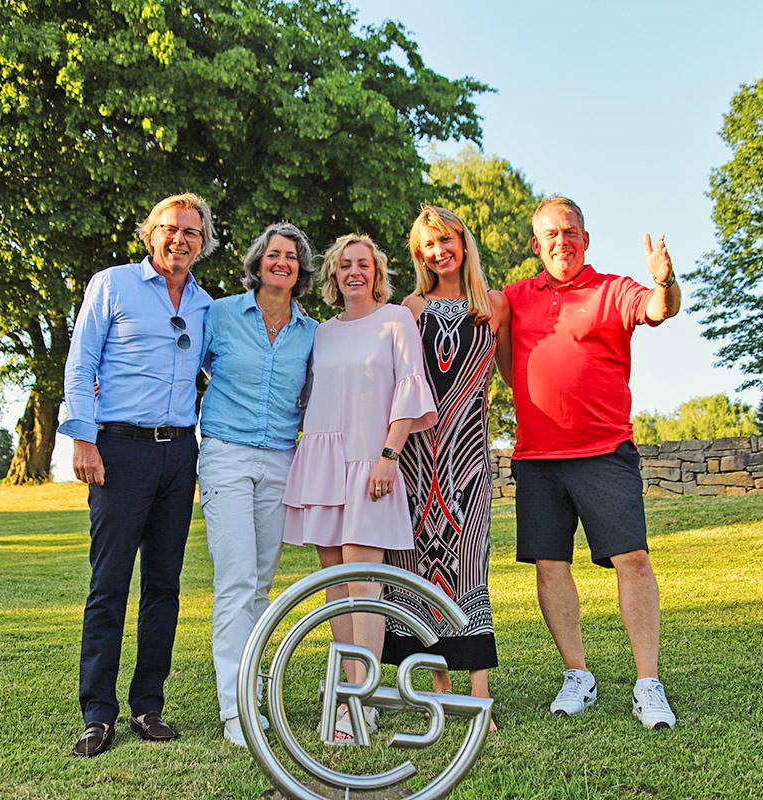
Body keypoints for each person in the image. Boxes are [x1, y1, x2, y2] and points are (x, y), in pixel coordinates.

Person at [497, 195, 682, 730]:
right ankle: (577, 674)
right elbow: (482, 326)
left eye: (571, 231)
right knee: (551, 566)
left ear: (586, 238)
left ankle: (648, 683)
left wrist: (665, 282)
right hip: (536, 458)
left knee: (634, 561)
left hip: (604, 452)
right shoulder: (517, 296)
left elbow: (658, 308)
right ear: (536, 245)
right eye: (551, 234)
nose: (562, 241)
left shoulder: (614, 289)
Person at [60, 192, 216, 757]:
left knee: (164, 585)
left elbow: (227, 370)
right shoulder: (112, 284)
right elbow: (81, 365)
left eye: (191, 232)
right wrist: (83, 439)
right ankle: (97, 713)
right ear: (151, 234)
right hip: (118, 451)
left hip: (180, 454)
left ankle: (148, 705)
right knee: (109, 586)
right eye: (171, 229)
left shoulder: (205, 306)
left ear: (203, 241)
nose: (181, 240)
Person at [281, 233, 437, 744]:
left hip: (371, 461)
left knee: (364, 580)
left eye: (363, 264)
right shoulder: (321, 333)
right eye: (345, 265)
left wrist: (389, 456)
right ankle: (347, 690)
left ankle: (363, 700)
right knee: (334, 583)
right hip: (322, 459)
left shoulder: (396, 321)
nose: (354, 272)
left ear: (377, 271)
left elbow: (410, 389)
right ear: (332, 274)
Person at [382, 206, 509, 732]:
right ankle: (438, 690)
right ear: (420, 254)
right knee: (415, 567)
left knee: (469, 566)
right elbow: (392, 381)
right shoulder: (410, 307)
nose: (441, 251)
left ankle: (479, 696)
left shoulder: (495, 305)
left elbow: (511, 375)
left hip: (470, 456)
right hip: (416, 456)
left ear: (464, 242)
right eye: (429, 244)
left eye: (448, 239)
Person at [198, 222, 318, 747]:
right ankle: (237, 710)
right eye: (274, 255)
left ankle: (251, 685)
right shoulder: (220, 314)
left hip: (280, 460)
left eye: (291, 257)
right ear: (257, 262)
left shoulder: (311, 332)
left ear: (301, 269)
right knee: (235, 580)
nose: (282, 263)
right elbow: (187, 368)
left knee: (262, 584)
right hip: (225, 454)